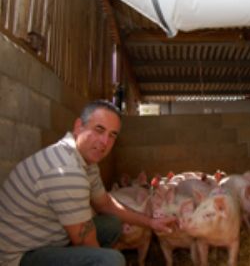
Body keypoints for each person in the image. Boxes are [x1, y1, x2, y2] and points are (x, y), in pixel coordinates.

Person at [0, 100, 176, 266]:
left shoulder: (85, 161)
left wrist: (151, 223)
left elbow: (105, 204)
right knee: (111, 261)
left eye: (112, 135)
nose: (104, 142)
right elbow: (85, 240)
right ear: (78, 126)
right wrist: (102, 259)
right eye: (99, 130)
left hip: (48, 236)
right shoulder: (67, 170)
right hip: (20, 255)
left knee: (112, 224)